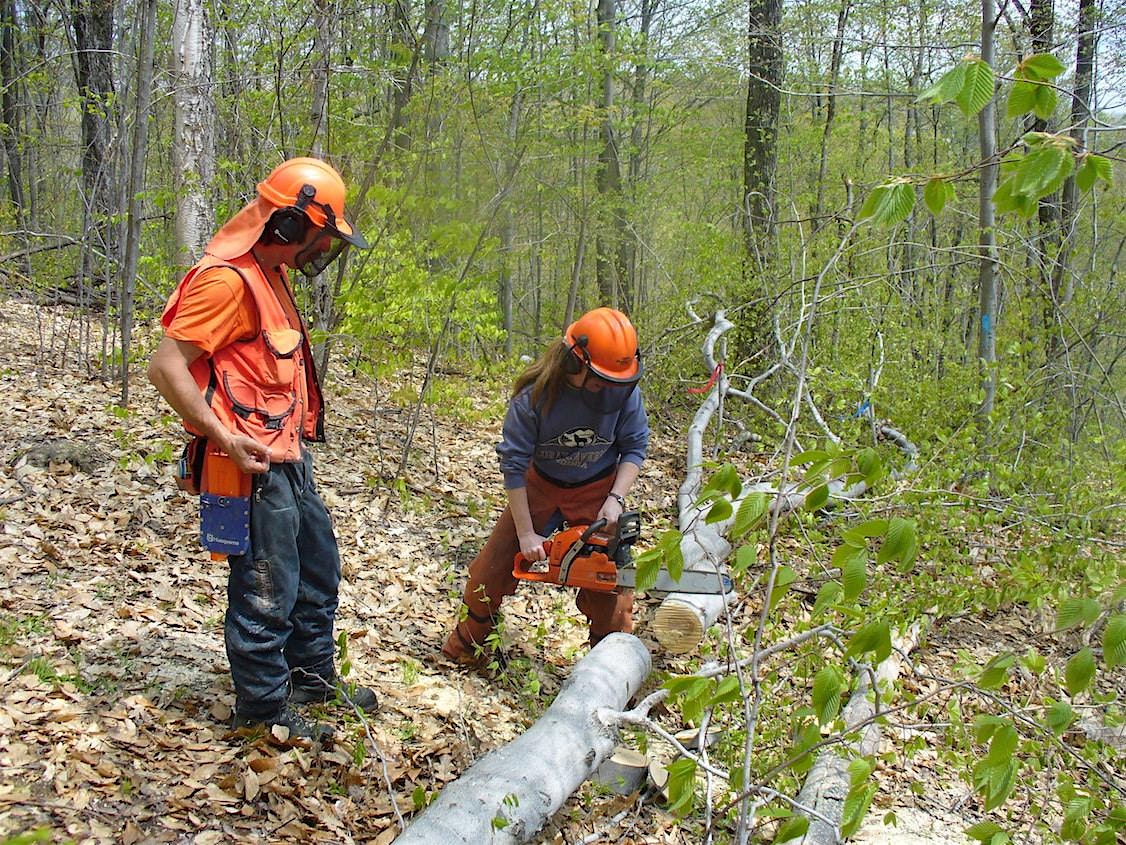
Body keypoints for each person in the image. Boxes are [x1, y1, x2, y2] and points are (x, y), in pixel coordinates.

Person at [148, 157, 377, 741]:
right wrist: (220, 434)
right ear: (289, 225)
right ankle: (264, 708)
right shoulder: (227, 280)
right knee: (266, 586)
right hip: (246, 459)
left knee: (318, 570)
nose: (322, 250)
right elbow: (166, 365)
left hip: (287, 453)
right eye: (320, 237)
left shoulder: (269, 274)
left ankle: (311, 677)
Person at [441, 307, 650, 668]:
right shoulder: (534, 399)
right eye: (602, 380)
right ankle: (467, 650)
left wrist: (615, 499)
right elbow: (514, 467)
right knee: (488, 573)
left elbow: (634, 447)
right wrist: (525, 533)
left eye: (617, 382)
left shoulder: (624, 395)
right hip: (538, 487)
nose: (608, 391)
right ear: (575, 364)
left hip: (597, 488)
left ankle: (610, 672)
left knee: (610, 585)